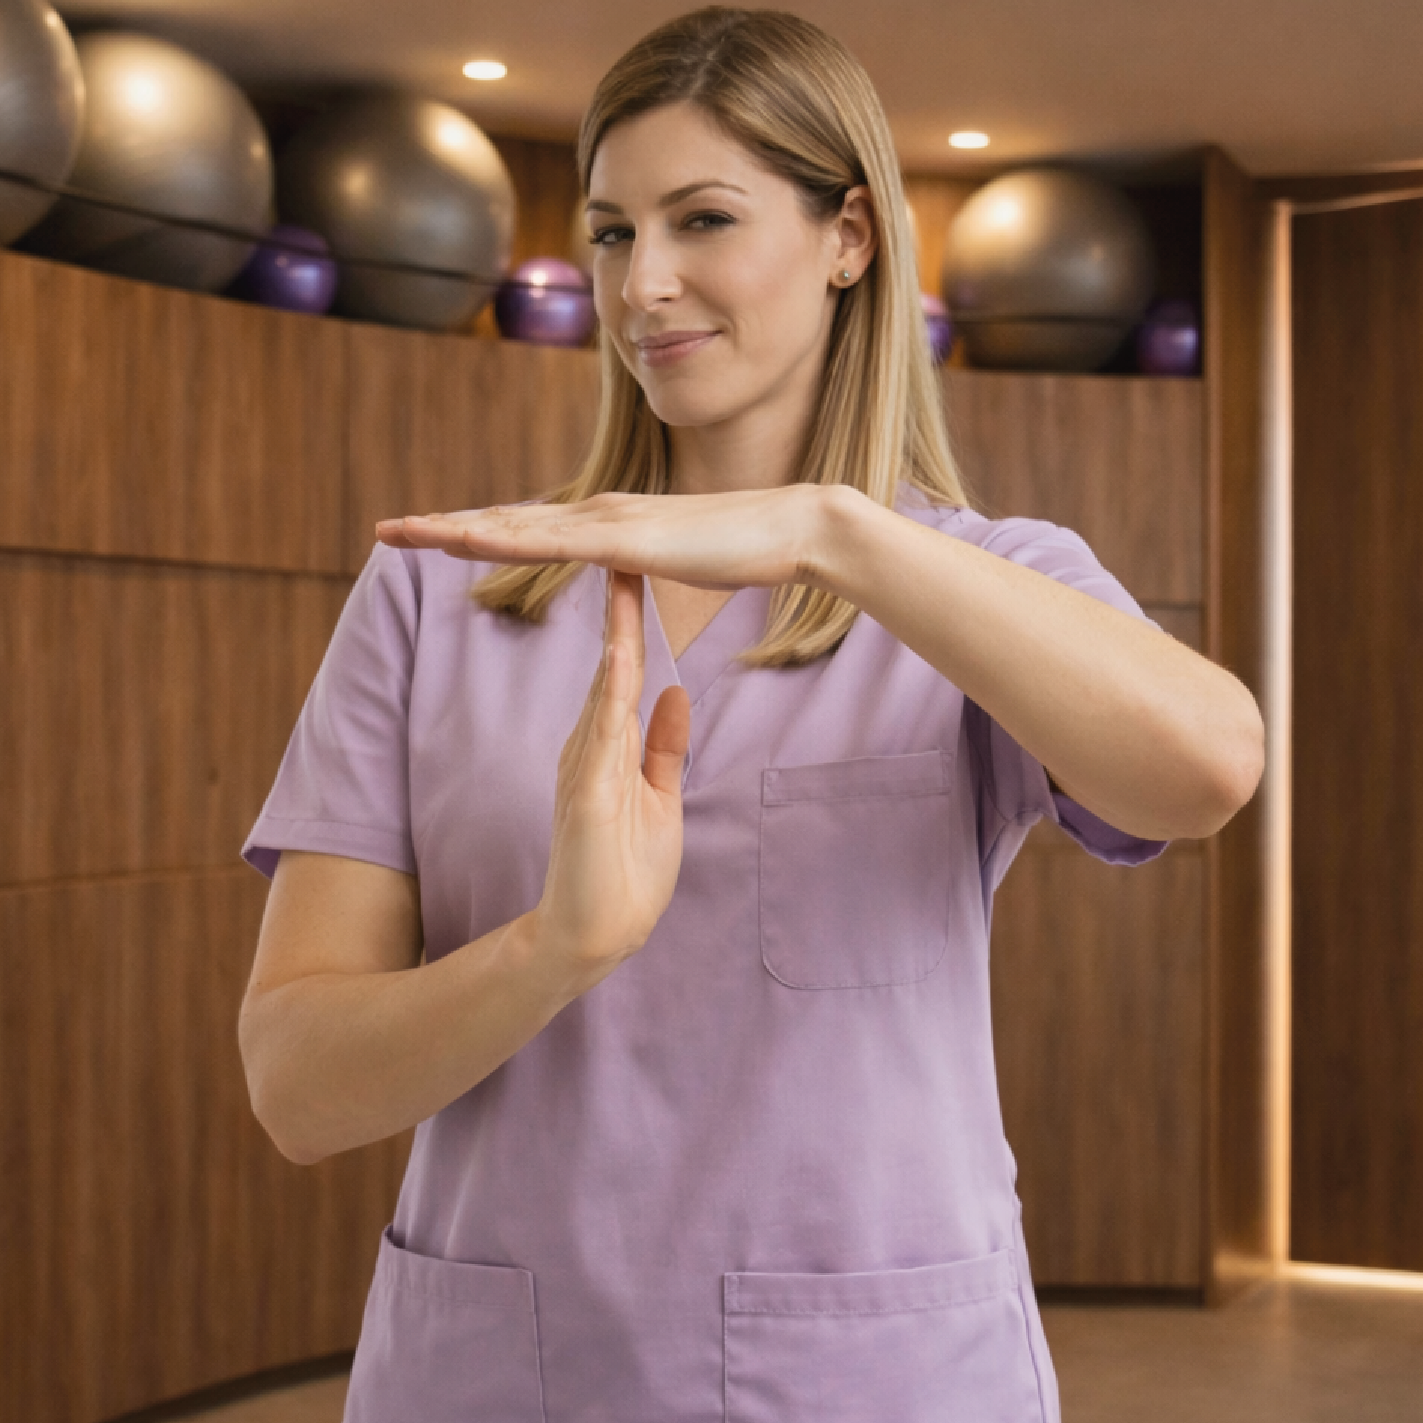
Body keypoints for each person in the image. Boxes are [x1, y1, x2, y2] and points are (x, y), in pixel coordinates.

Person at [237, 9, 1264, 1421]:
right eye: (609, 231)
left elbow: (1206, 766)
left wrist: (834, 532)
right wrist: (554, 948)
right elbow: (297, 1087)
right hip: (503, 1375)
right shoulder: (438, 596)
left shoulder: (977, 585)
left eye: (701, 218)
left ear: (848, 238)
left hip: (876, 1377)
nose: (643, 281)